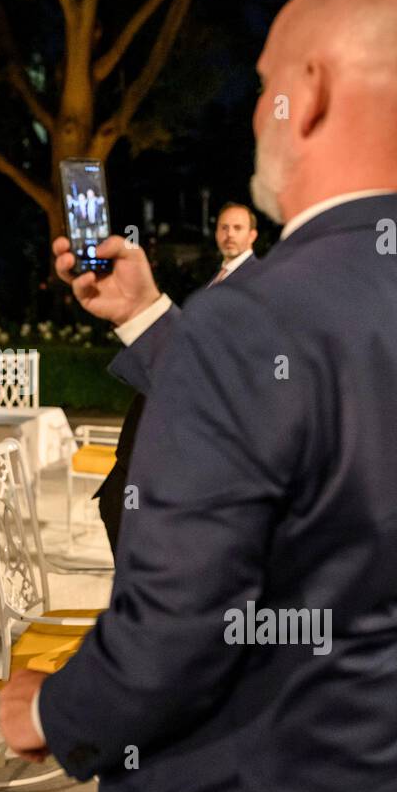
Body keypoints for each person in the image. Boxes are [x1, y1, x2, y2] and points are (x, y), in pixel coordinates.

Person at [0, 0, 397, 792]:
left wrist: (50, 711)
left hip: (243, 776)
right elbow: (314, 436)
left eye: (264, 81)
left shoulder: (253, 316)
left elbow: (175, 633)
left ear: (306, 92)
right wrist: (149, 314)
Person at [96, 204, 260, 552]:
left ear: (253, 235)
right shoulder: (219, 277)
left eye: (237, 227)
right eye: (224, 226)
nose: (229, 233)